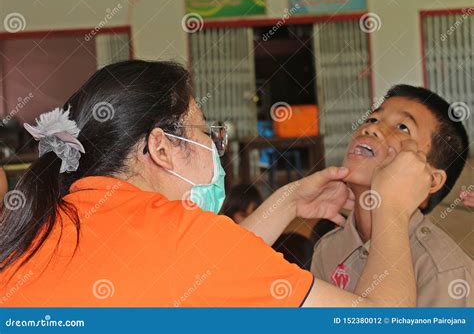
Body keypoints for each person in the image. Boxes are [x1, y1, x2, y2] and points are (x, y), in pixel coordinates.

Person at [0, 61, 431, 307]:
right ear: (162, 147)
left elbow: (194, 275)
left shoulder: (49, 218)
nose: (216, 149)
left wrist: (285, 202)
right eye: (208, 133)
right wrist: (392, 208)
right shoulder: (180, 237)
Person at [311, 85, 473, 307]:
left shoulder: (444, 272)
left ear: (431, 180)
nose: (372, 129)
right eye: (372, 119)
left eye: (403, 127)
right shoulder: (327, 249)